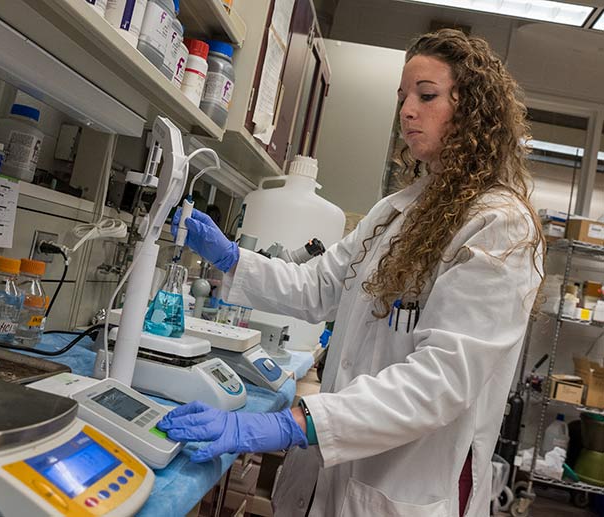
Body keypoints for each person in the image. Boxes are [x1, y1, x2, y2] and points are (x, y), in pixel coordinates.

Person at [159, 28, 544, 517]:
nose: (407, 110)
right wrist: (230, 257)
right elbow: (318, 286)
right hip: (337, 468)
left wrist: (295, 424)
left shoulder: (498, 224)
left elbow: (442, 379)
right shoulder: (394, 210)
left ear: (473, 110)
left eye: (426, 95)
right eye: (403, 96)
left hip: (406, 480)